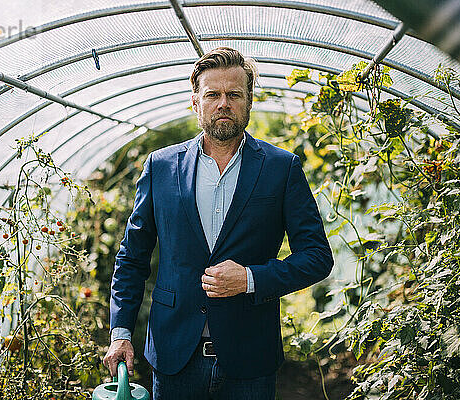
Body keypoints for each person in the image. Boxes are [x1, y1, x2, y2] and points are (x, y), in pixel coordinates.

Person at [103, 47, 333, 399]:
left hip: (249, 359)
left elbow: (317, 257)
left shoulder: (281, 168)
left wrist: (251, 279)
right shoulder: (161, 167)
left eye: (234, 94)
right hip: (173, 356)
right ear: (196, 102)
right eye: (212, 94)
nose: (223, 103)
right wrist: (121, 331)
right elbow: (132, 257)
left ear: (249, 101)